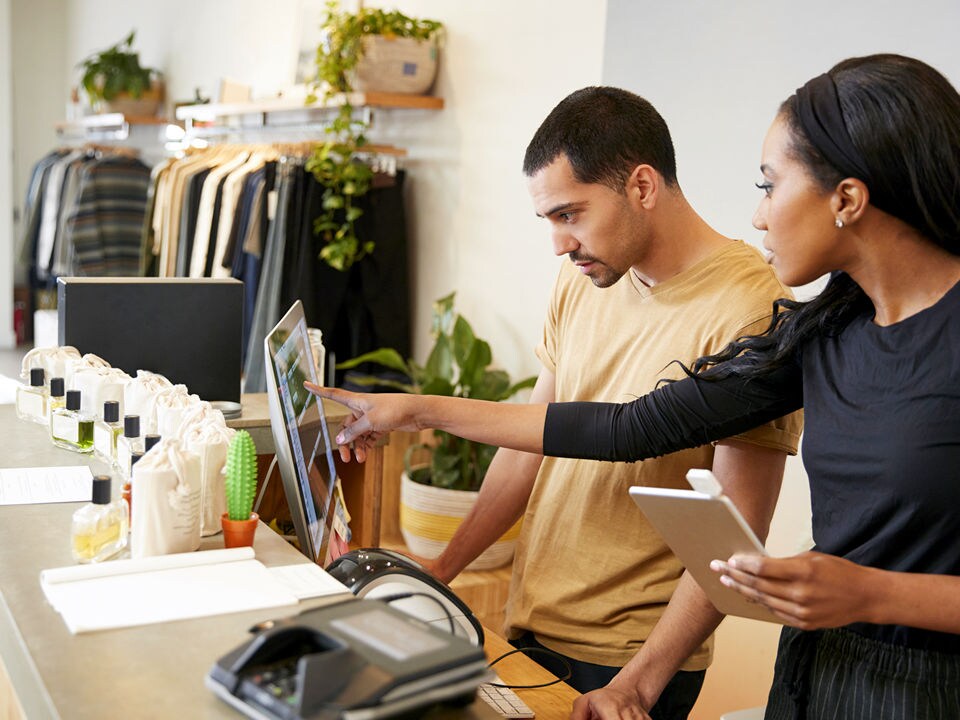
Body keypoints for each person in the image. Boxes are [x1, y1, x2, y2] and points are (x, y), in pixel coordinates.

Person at [309, 54, 960, 719]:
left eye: (769, 185)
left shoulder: (772, 307)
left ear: (847, 199)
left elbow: (746, 518)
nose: (760, 215)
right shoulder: (826, 331)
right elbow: (628, 427)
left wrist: (870, 594)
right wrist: (417, 414)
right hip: (817, 670)